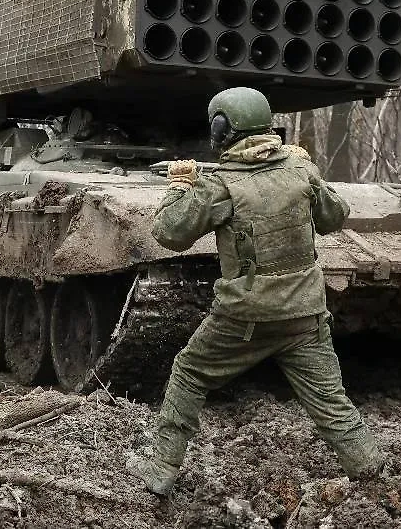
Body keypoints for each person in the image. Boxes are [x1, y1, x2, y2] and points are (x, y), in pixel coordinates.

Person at [128, 87, 385, 495]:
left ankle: (159, 471)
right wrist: (309, 169)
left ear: (221, 130)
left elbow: (168, 234)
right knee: (332, 403)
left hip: (244, 317)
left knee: (190, 373)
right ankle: (370, 472)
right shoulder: (301, 173)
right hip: (304, 314)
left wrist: (179, 186)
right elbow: (335, 218)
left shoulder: (221, 186)